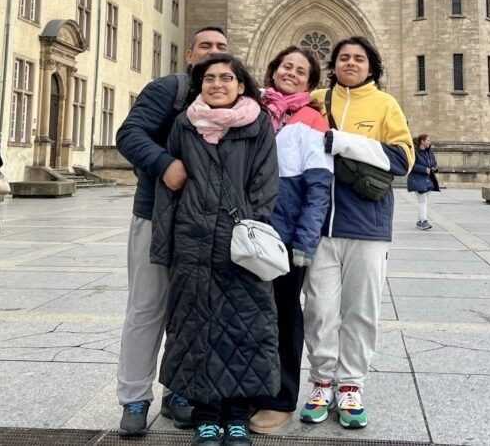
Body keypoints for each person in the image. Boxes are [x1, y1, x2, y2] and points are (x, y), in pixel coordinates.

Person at [150, 54, 279, 446]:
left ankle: (237, 417)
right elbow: (168, 189)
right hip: (192, 244)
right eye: (209, 78)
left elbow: (265, 183)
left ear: (241, 86)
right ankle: (207, 416)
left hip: (240, 248)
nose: (217, 84)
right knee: (195, 330)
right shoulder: (184, 126)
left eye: (227, 78)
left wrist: (246, 229)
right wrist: (165, 244)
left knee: (244, 330)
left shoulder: (258, 125)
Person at [114, 26, 229, 436]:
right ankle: (134, 398)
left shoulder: (231, 100)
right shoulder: (169, 89)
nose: (213, 52)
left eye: (221, 48)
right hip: (154, 215)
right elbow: (128, 134)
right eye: (206, 46)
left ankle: (178, 389)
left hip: (201, 223)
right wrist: (165, 164)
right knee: (146, 308)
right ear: (189, 55)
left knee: (190, 311)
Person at [302, 37, 415, 429]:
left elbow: (402, 158)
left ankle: (350, 385)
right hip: (319, 227)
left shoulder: (386, 104)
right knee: (318, 310)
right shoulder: (316, 99)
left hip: (367, 226)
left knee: (361, 311)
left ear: (371, 66)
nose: (351, 63)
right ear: (333, 64)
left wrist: (345, 142)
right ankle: (320, 381)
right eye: (344, 58)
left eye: (359, 58)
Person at [249, 47, 333, 435]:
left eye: (302, 71)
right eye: (287, 66)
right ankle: (244, 391)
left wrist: (305, 240)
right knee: (245, 313)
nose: (292, 73)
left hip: (285, 237)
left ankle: (280, 399)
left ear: (311, 82)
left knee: (284, 314)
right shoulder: (252, 109)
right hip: (246, 230)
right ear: (273, 70)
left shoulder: (312, 119)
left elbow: (319, 187)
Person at [407, 134, 439, 230]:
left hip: (428, 180)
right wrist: (424, 169)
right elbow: (411, 165)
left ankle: (420, 220)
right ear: (422, 141)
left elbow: (434, 162)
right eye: (428, 140)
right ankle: (423, 221)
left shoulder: (429, 152)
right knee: (423, 200)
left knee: (424, 201)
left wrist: (435, 167)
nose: (430, 142)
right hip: (417, 179)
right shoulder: (414, 152)